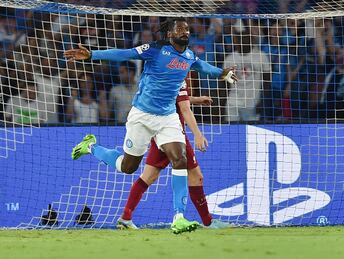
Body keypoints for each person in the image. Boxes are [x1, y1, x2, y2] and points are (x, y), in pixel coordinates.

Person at [64, 18, 237, 185]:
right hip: (143, 114)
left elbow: (205, 67)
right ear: (169, 33)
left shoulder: (190, 55)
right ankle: (91, 147)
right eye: (179, 29)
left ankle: (179, 216)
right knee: (128, 167)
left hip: (168, 117)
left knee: (180, 159)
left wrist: (222, 73)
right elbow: (125, 54)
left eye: (187, 29)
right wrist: (93, 55)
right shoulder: (156, 49)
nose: (184, 32)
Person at [116, 81, 229, 234]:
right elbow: (184, 108)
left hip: (160, 131)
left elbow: (177, 98)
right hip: (173, 133)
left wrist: (195, 99)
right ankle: (207, 222)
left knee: (149, 175)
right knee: (196, 176)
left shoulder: (170, 67)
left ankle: (126, 217)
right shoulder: (180, 67)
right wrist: (198, 134)